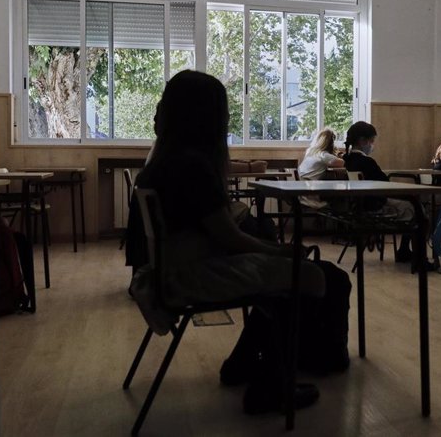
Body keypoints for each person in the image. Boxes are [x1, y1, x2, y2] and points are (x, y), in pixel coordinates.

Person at [126, 70, 325, 415]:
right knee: (306, 275)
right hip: (188, 275)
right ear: (208, 118)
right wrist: (281, 251)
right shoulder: (193, 166)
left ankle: (245, 362)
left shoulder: (163, 162)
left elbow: (215, 229)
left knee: (287, 271)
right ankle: (271, 387)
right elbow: (230, 238)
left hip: (167, 270)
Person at [342, 121, 432, 266]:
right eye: (372, 141)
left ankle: (404, 251)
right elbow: (385, 184)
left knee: (411, 205)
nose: (372, 145)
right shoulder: (367, 162)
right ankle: (419, 259)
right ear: (362, 141)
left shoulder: (347, 160)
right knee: (419, 211)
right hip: (376, 206)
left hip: (360, 206)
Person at [297, 127, 346, 208]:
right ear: (331, 143)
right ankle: (340, 219)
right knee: (342, 194)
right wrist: (339, 154)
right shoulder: (323, 155)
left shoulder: (310, 153)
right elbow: (343, 163)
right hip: (311, 195)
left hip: (302, 192)